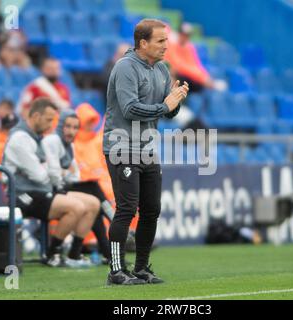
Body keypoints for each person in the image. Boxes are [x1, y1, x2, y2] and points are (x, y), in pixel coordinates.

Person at [103, 18, 189, 285]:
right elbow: (130, 109)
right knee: (127, 209)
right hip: (121, 145)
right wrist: (165, 106)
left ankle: (141, 268)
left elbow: (168, 112)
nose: (166, 45)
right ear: (143, 43)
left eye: (166, 40)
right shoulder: (126, 67)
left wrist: (175, 101)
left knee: (151, 209)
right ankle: (116, 271)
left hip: (147, 148)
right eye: (161, 40)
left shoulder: (161, 69)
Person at [3, 98, 101, 268]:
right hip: (23, 194)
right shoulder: (20, 138)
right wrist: (55, 170)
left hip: (42, 190)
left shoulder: (38, 137)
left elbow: (53, 172)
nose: (51, 125)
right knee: (76, 207)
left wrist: (53, 170)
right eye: (48, 120)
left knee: (93, 203)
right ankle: (52, 254)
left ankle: (73, 255)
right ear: (35, 116)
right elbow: (40, 175)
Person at [42, 110, 112, 264]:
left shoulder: (70, 146)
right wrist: (65, 172)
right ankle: (111, 231)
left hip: (62, 187)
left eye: (75, 127)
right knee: (93, 191)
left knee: (94, 201)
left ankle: (85, 252)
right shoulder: (53, 141)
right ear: (61, 126)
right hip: (48, 190)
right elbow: (55, 174)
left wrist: (64, 173)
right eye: (68, 126)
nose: (72, 131)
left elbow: (74, 175)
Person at [164, 22, 214, 93]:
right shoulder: (172, 44)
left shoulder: (189, 47)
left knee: (199, 85)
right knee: (174, 77)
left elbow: (195, 64)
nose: (185, 37)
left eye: (187, 35)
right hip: (174, 74)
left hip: (186, 76)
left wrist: (204, 76)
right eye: (183, 34)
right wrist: (201, 77)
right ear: (179, 33)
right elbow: (178, 65)